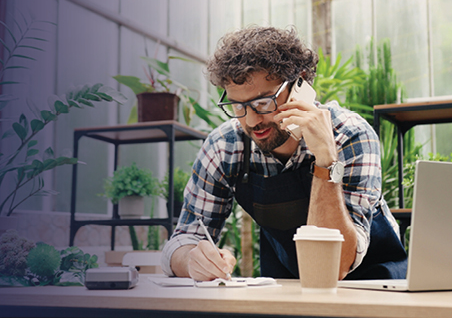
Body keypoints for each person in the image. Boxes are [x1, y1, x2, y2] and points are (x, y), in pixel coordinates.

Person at [161, 26, 407, 281]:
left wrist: (326, 161)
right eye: (238, 105)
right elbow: (183, 239)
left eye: (263, 102)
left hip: (374, 286)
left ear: (299, 83)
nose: (253, 120)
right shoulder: (225, 146)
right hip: (289, 285)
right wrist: (193, 261)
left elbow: (334, 267)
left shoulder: (350, 135)